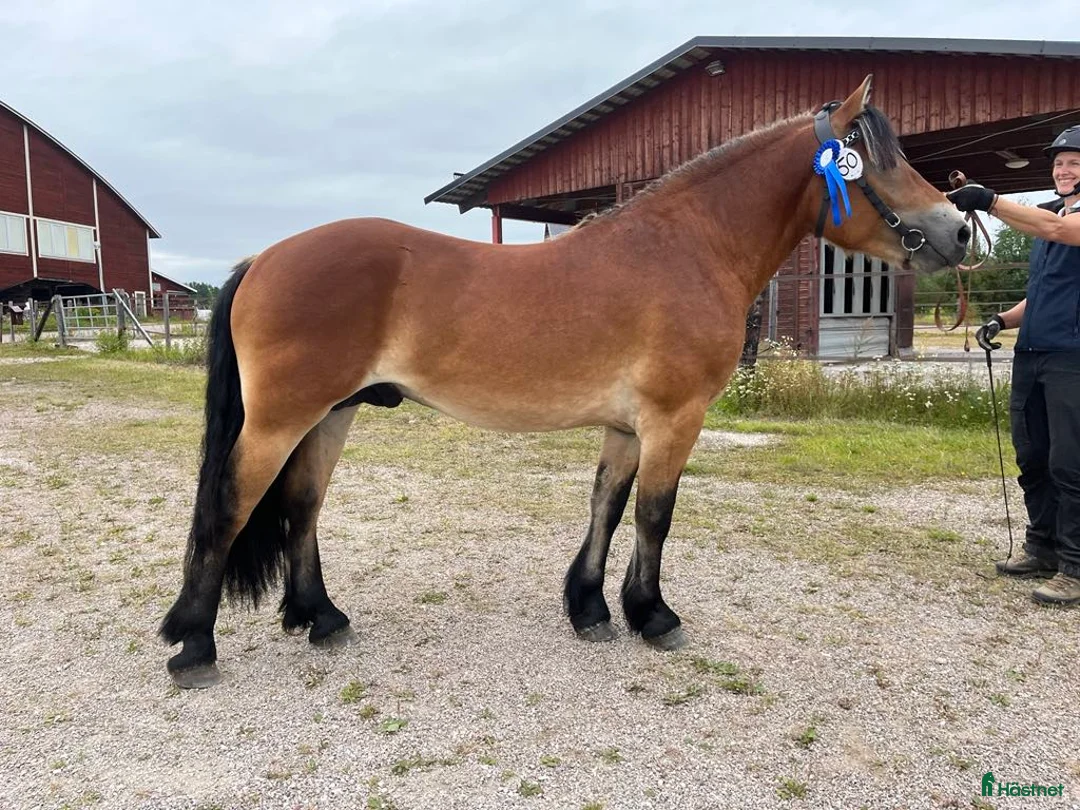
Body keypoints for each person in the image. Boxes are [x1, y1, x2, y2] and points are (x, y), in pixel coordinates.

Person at [947, 125, 1080, 606]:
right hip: (1033, 353)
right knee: (1033, 457)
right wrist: (1002, 319)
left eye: (1074, 164)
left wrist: (991, 200)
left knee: (1070, 463)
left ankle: (1075, 566)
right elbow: (1042, 291)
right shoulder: (1053, 217)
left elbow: (1057, 229)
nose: (1063, 171)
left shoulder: (1064, 222)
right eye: (1059, 164)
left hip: (1072, 357)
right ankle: (1041, 548)